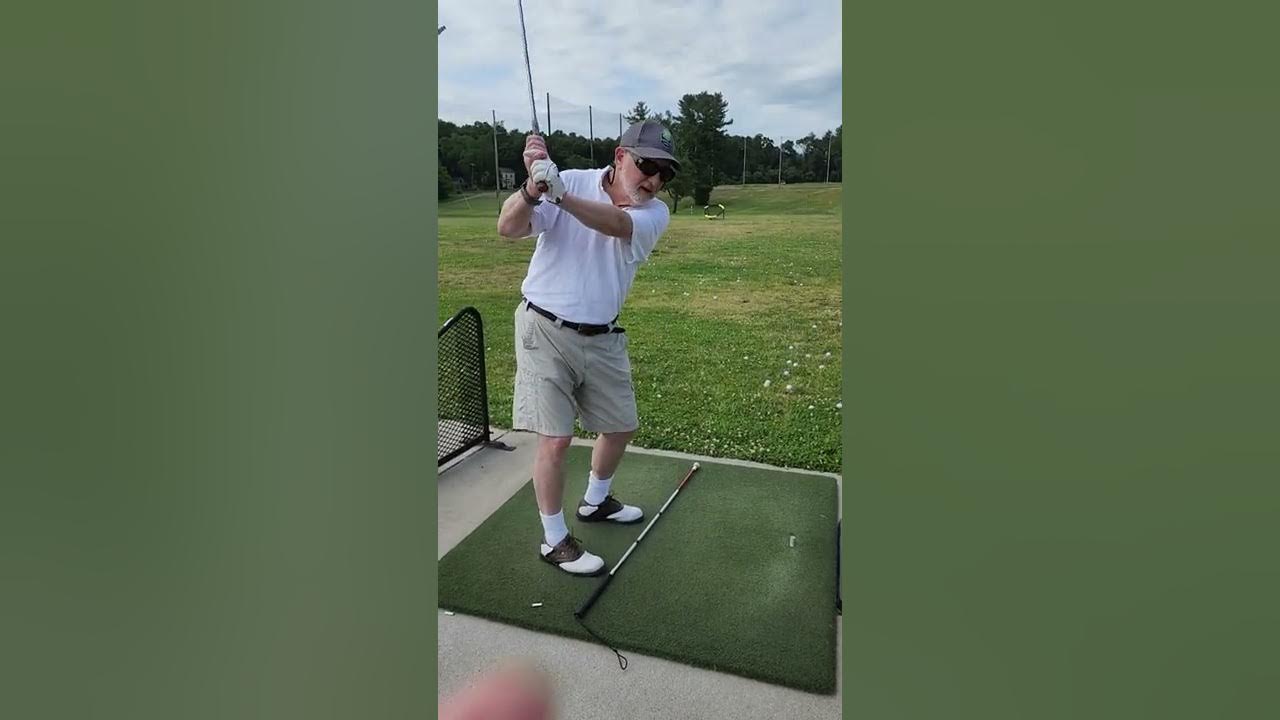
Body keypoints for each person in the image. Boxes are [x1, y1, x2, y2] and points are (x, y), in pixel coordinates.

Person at [496, 119, 679, 576]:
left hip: (602, 335)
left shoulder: (654, 213)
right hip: (544, 328)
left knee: (620, 427)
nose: (654, 179)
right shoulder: (570, 180)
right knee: (556, 439)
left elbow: (616, 224)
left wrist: (558, 194)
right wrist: (531, 189)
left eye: (664, 172)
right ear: (620, 156)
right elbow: (508, 227)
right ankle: (554, 540)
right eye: (647, 165)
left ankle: (596, 502)